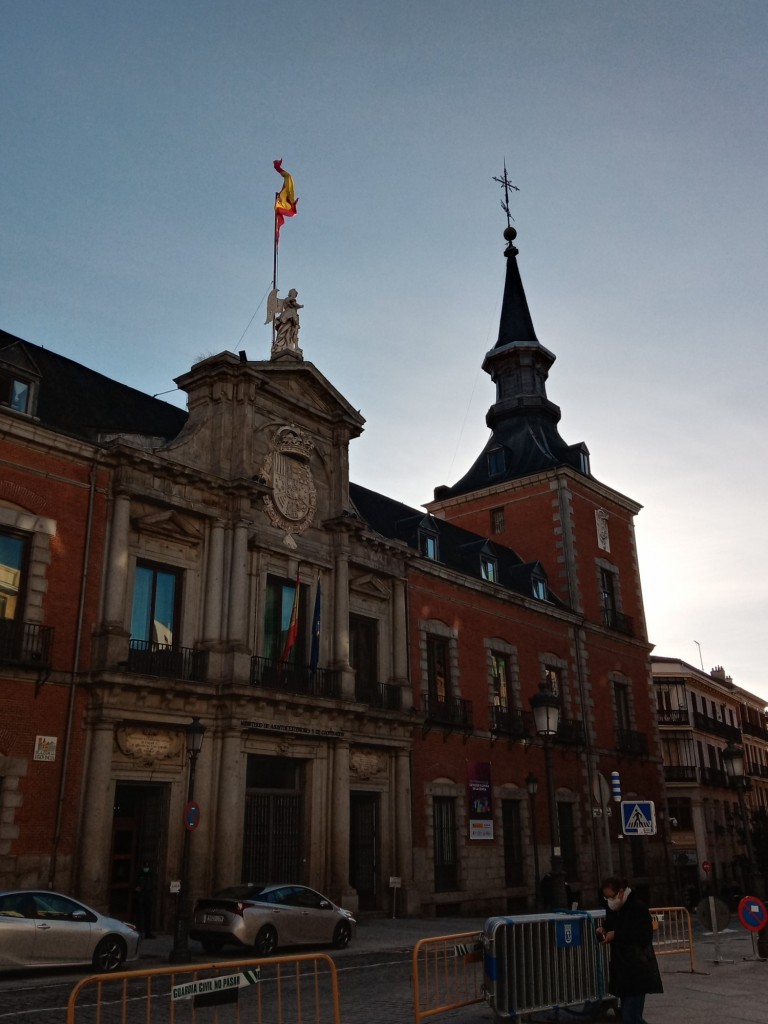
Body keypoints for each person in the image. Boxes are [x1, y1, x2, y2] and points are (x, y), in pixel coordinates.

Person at [596, 876, 662, 1024]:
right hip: (623, 968)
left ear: (620, 892)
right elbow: (611, 924)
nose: (608, 901)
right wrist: (604, 930)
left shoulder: (636, 906)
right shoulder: (614, 907)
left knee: (631, 1016)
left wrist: (616, 934)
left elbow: (644, 935)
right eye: (605, 897)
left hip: (637, 967)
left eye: (610, 897)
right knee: (629, 1016)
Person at [134, 860, 154, 938]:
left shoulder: (150, 875)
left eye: (147, 867)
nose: (146, 868)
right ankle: (140, 932)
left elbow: (152, 885)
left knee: (148, 917)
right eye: (145, 867)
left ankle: (147, 933)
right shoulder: (139, 875)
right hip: (141, 898)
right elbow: (136, 886)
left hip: (147, 898)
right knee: (140, 917)